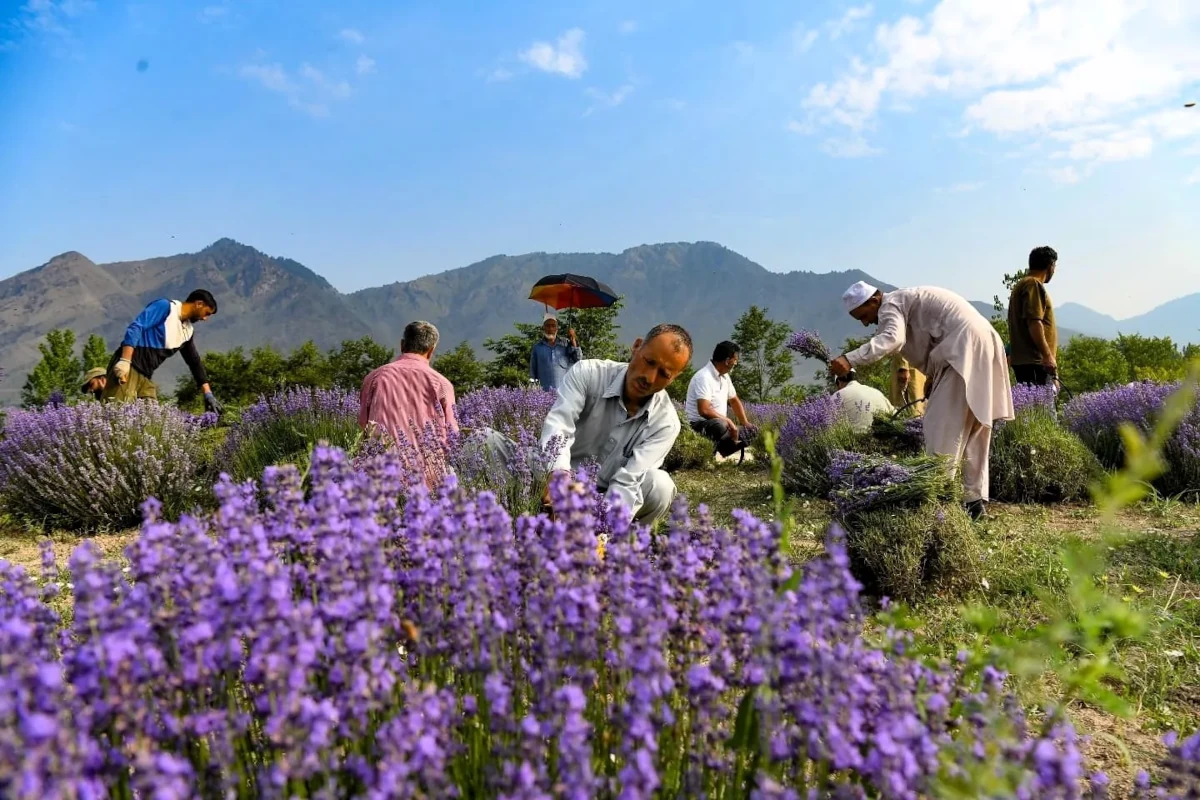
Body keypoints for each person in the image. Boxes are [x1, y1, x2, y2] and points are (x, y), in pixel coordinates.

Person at [831, 281, 1013, 520]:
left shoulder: (889, 305)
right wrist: (932, 376)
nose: (866, 323)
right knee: (974, 426)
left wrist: (849, 358)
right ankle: (974, 504)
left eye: (863, 316)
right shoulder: (906, 299)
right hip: (984, 341)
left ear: (874, 300)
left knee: (940, 428)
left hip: (963, 347)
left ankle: (936, 498)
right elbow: (932, 335)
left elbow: (892, 339)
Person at [489, 323, 690, 524]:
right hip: (546, 478)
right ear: (637, 346)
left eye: (664, 374)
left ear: (674, 378)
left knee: (661, 486)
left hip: (601, 500)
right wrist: (558, 477)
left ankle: (616, 547)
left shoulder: (666, 422)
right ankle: (505, 517)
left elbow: (629, 481)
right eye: (649, 361)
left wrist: (598, 522)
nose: (649, 377)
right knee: (485, 442)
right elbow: (559, 425)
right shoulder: (589, 373)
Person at [103, 290, 222, 413]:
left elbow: (194, 362)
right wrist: (125, 361)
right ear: (199, 304)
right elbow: (136, 327)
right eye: (207, 313)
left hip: (145, 376)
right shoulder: (166, 308)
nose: (205, 318)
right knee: (115, 414)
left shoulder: (187, 332)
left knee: (151, 420)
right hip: (129, 367)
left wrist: (208, 394)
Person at [359, 321, 458, 450]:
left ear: (402, 345)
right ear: (431, 350)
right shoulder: (442, 384)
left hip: (381, 466)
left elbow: (363, 424)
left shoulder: (374, 378)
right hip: (429, 467)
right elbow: (453, 434)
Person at [685, 340, 753, 458]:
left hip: (720, 424)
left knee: (751, 430)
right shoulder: (704, 377)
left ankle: (729, 449)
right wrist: (729, 421)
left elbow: (734, 400)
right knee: (720, 424)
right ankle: (723, 453)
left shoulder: (725, 377)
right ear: (727, 361)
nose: (736, 363)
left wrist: (745, 423)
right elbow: (704, 410)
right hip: (699, 425)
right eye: (735, 359)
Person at [1008, 246, 1059, 386]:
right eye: (1054, 266)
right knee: (1040, 407)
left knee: (1037, 406)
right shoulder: (1033, 284)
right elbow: (1034, 322)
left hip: (1030, 362)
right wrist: (1047, 356)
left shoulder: (1022, 285)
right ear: (1050, 265)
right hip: (1035, 362)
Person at [530, 311, 582, 391]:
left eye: (553, 326)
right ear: (543, 327)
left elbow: (578, 359)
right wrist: (533, 389)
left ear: (557, 328)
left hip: (564, 392)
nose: (550, 329)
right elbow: (533, 372)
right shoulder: (537, 348)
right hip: (544, 395)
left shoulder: (566, 343)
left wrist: (574, 340)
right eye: (547, 326)